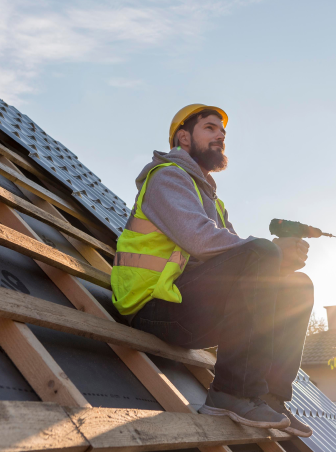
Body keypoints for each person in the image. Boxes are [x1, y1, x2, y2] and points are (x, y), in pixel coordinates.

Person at [111, 104, 314, 437]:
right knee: (262, 251)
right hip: (149, 306)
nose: (220, 135)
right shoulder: (166, 176)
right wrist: (270, 252)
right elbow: (200, 240)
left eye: (223, 131)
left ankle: (271, 396)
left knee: (298, 285)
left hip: (185, 306)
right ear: (183, 138)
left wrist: (282, 261)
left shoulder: (215, 202)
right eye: (209, 127)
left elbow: (239, 260)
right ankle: (230, 392)